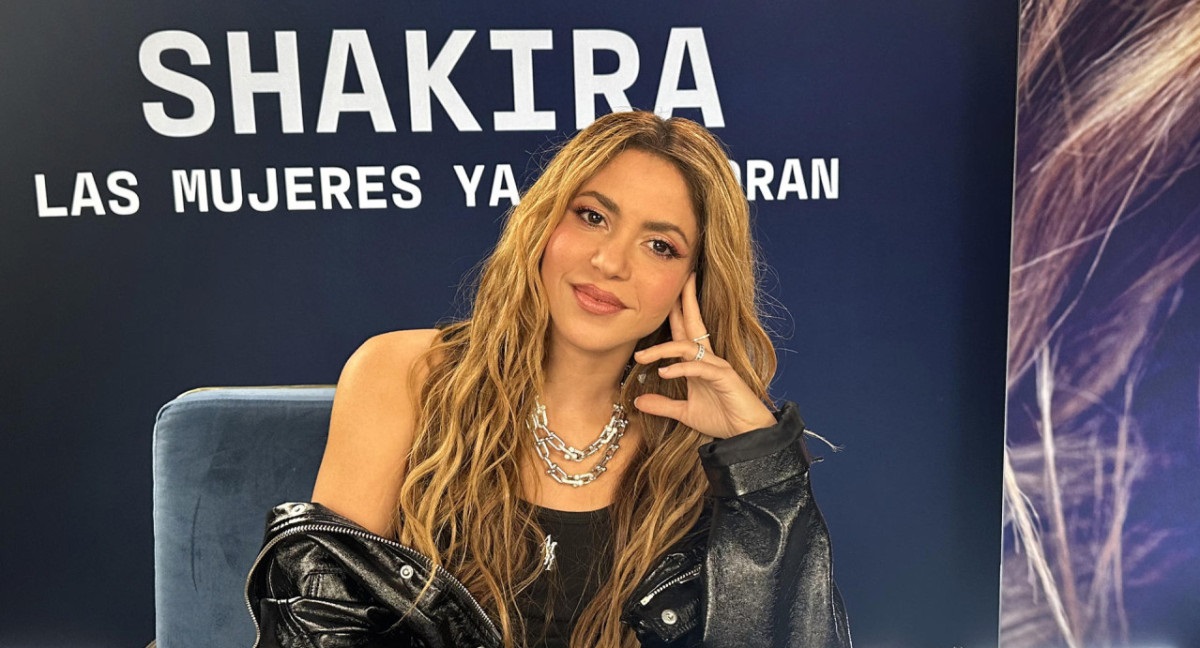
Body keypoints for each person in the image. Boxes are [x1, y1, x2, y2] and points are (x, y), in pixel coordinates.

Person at [246, 111, 851, 648]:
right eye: (592, 216)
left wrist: (759, 464)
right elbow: (320, 627)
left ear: (693, 282)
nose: (610, 262)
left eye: (660, 246)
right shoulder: (403, 373)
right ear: (543, 223)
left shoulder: (713, 445)